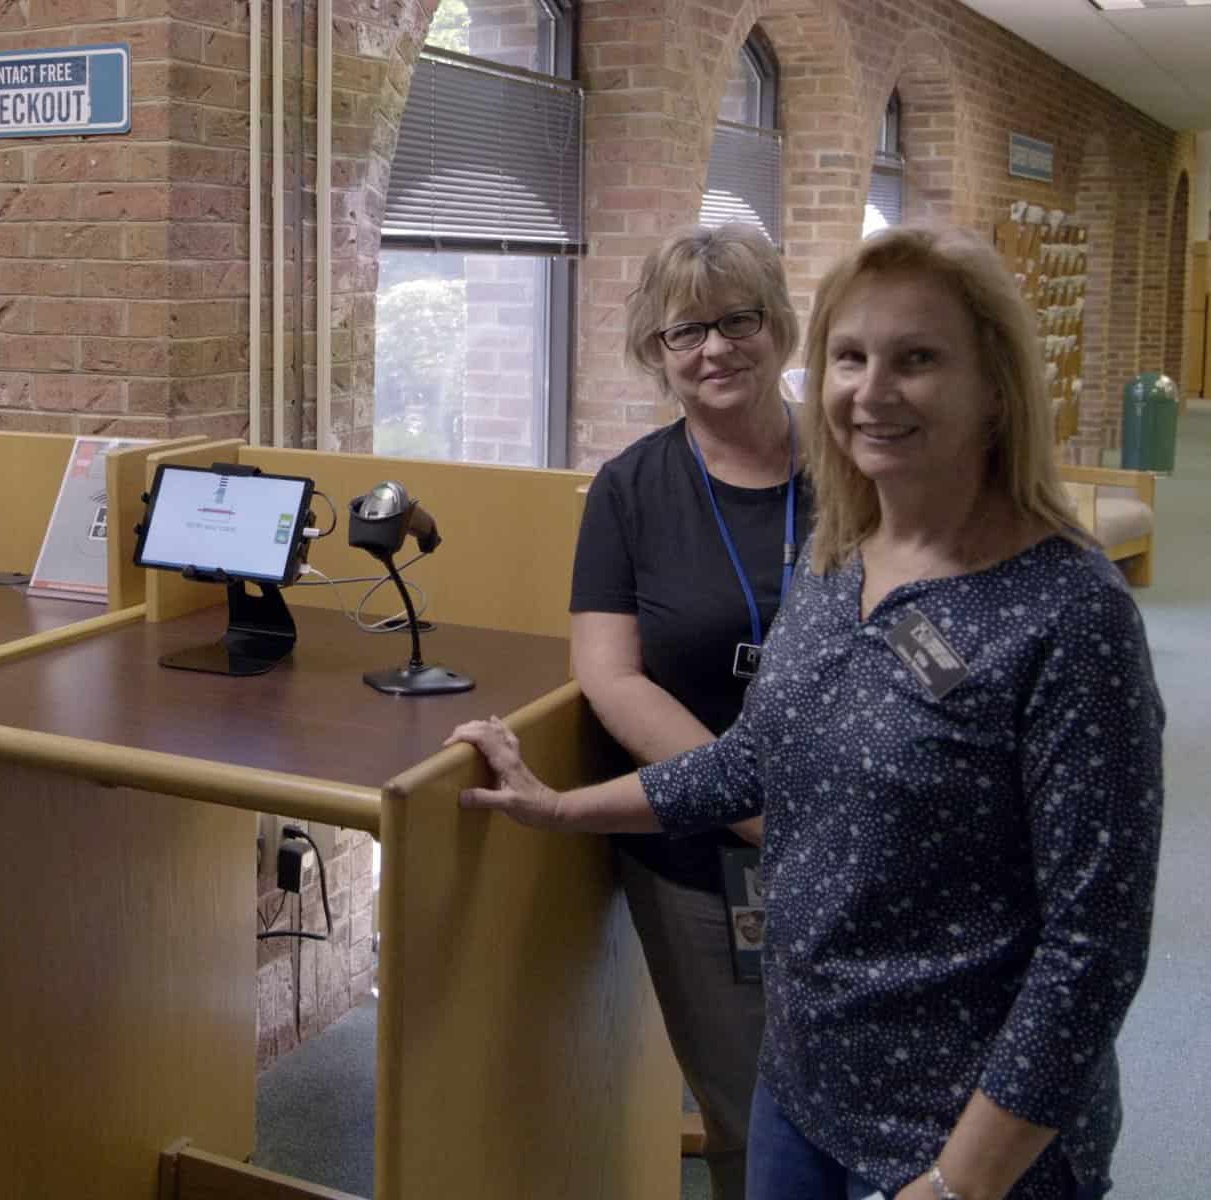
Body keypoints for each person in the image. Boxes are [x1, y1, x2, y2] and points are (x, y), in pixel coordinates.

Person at [449, 225, 1163, 1200]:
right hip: (803, 1081)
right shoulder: (840, 552)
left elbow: (1094, 941)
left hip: (958, 1127)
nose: (871, 392)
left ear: (994, 385)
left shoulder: (1067, 614)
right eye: (852, 357)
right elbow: (754, 758)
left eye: (916, 359)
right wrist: (561, 808)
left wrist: (961, 1181)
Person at [567, 222, 809, 1200]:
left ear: (776, 326)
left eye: (736, 319)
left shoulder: (862, 467)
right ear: (654, 352)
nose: (712, 348)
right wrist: (755, 810)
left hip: (871, 845)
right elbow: (609, 676)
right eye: (684, 332)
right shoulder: (629, 490)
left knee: (893, 1090)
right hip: (701, 856)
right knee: (747, 1115)